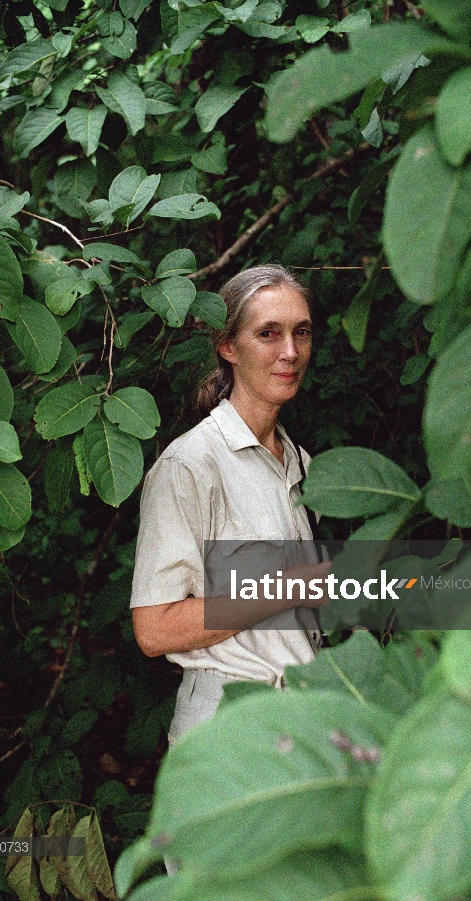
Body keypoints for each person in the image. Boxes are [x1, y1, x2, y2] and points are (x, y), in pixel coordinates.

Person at [130, 264, 329, 744]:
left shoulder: (302, 462)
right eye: (268, 334)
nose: (290, 352)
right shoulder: (191, 465)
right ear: (227, 346)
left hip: (304, 718)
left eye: (301, 333)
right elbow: (154, 630)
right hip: (228, 726)